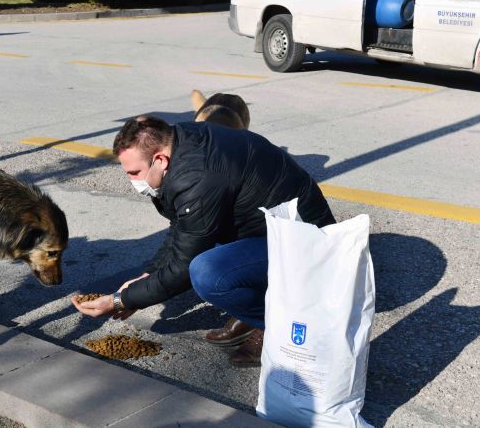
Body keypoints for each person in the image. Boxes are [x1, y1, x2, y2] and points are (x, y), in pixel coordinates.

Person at [72, 116, 335, 367]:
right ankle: (253, 311)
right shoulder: (182, 142)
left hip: (307, 243)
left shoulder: (197, 177)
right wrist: (147, 275)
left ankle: (275, 324)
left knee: (207, 273)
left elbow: (183, 268)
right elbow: (183, 228)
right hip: (273, 230)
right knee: (207, 254)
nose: (132, 181)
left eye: (134, 172)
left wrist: (121, 301)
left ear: (160, 159)